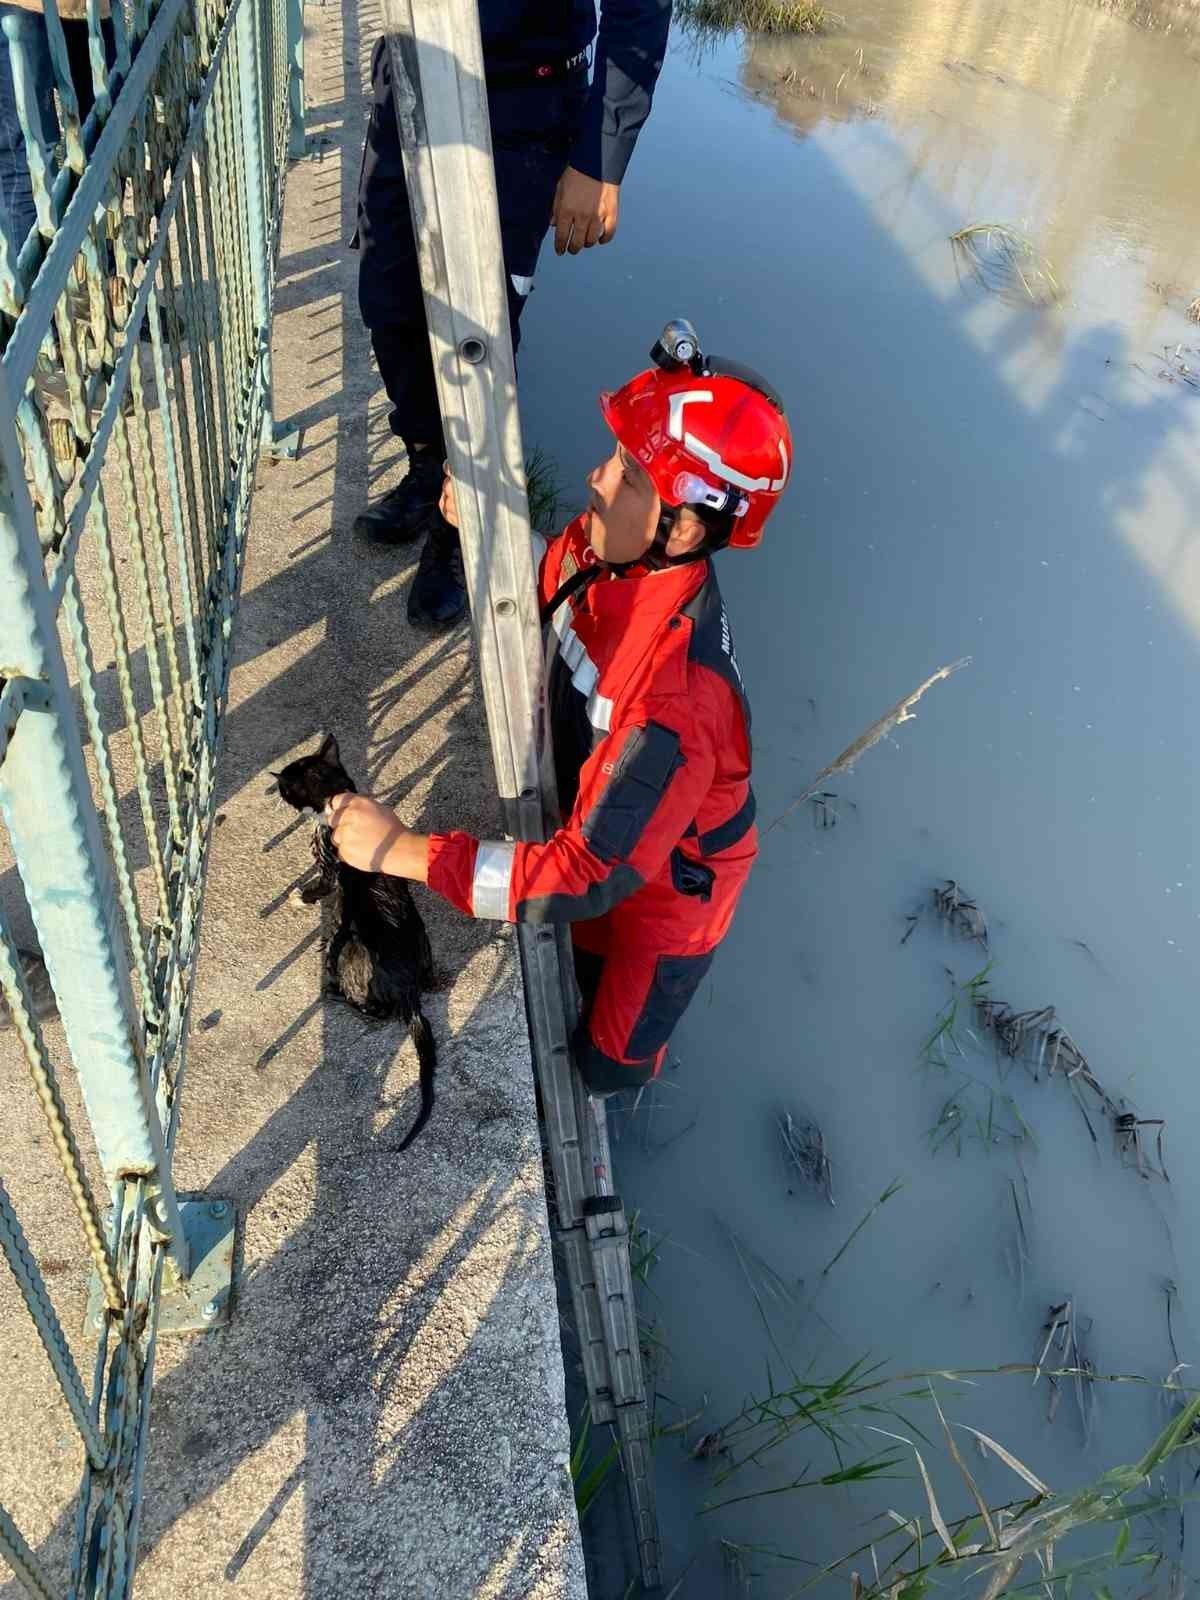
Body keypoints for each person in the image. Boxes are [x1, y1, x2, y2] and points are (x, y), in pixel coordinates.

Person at [325, 321, 792, 1094]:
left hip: (675, 887)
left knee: (606, 1062)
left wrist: (401, 852)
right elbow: (554, 582)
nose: (598, 479)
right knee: (582, 949)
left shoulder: (675, 702)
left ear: (687, 529)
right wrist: (482, 529)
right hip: (609, 817)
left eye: (632, 476)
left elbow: (580, 876)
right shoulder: (608, 549)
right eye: (617, 458)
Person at [353, 0, 673, 631]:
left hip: (522, 100)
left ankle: (459, 520)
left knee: (479, 337)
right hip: (413, 77)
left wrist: (598, 157)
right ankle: (426, 470)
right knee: (389, 303)